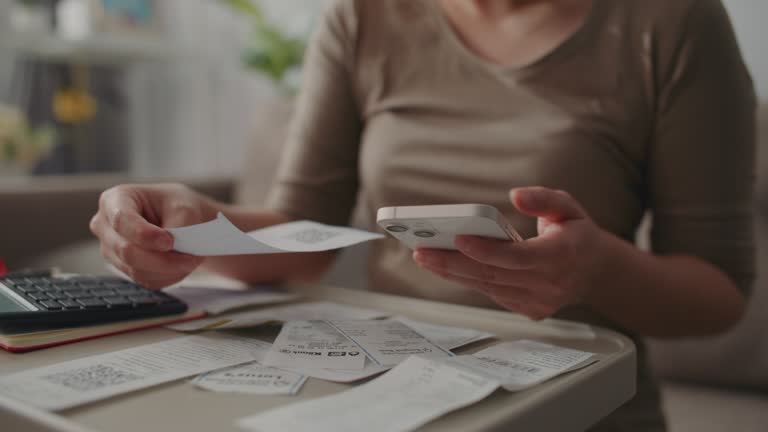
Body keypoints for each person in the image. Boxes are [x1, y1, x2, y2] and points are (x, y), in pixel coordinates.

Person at [89, 0, 756, 430]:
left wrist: (599, 270)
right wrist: (192, 227)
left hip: (579, 408)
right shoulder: (363, 17)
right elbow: (303, 236)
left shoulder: (674, 23)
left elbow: (721, 295)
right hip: (391, 398)